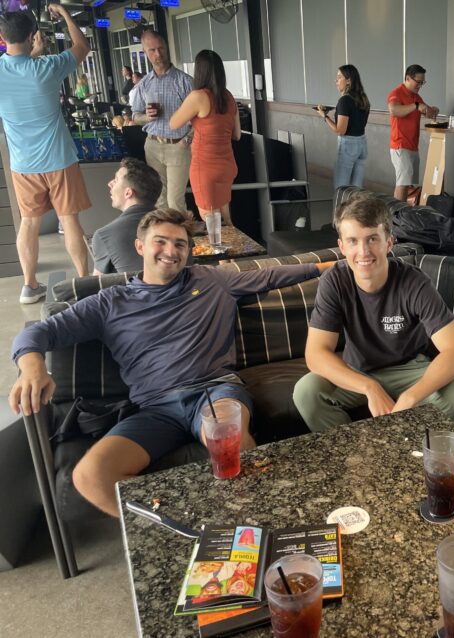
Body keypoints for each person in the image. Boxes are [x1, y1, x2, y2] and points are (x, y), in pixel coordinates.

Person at [9, 208, 334, 517]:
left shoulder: (210, 280)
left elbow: (274, 275)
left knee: (227, 439)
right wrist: (32, 367)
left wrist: (338, 263)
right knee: (90, 476)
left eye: (180, 244)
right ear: (140, 246)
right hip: (154, 410)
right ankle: (174, 531)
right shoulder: (109, 303)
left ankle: (250, 527)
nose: (171, 250)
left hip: (213, 392)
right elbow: (39, 333)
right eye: (160, 242)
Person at [293, 194, 454, 433]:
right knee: (307, 392)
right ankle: (356, 455)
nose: (363, 251)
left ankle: (417, 456)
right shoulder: (334, 281)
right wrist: (369, 387)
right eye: (353, 241)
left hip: (409, 369)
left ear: (389, 242)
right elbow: (316, 354)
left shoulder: (414, 282)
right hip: (357, 370)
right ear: (342, 246)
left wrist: (410, 398)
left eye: (372, 239)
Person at [0, 5, 92, 303]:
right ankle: (83, 282)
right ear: (32, 35)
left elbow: (17, 72)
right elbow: (82, 46)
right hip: (59, 160)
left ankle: (29, 286)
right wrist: (65, 14)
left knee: (29, 223)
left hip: (23, 165)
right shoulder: (47, 69)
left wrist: (32, 54)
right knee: (70, 221)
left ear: (3, 37)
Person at [169, 49, 240, 226]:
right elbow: (236, 135)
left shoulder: (198, 97)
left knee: (213, 227)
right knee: (227, 221)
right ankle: (238, 251)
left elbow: (173, 123)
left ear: (199, 72)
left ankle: (223, 253)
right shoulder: (228, 97)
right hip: (227, 166)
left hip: (205, 168)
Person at [130, 29, 193, 211]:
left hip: (178, 146)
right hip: (153, 146)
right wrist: (146, 117)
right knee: (159, 199)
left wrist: (186, 141)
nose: (158, 54)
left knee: (175, 201)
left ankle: (182, 238)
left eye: (161, 48)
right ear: (145, 52)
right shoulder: (144, 84)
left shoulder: (185, 82)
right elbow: (135, 115)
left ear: (166, 47)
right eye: (152, 50)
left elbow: (201, 118)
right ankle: (165, 238)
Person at [91, 158, 162, 274]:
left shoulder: (105, 235)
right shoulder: (179, 228)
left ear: (128, 193)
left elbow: (96, 285)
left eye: (116, 179)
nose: (110, 184)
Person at [387, 64, 439, 201]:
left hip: (412, 145)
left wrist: (433, 110)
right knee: (402, 184)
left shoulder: (416, 96)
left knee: (407, 185)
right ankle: (396, 217)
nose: (420, 85)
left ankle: (403, 214)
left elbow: (427, 112)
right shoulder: (396, 93)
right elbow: (394, 110)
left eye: (423, 82)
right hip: (400, 145)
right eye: (418, 82)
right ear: (408, 78)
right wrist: (416, 106)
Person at [317, 65, 370, 189]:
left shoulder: (344, 101)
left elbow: (340, 130)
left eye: (339, 77)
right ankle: (355, 209)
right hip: (362, 143)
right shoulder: (363, 99)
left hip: (348, 145)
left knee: (342, 188)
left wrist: (325, 116)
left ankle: (341, 208)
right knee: (356, 188)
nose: (336, 81)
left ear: (349, 80)